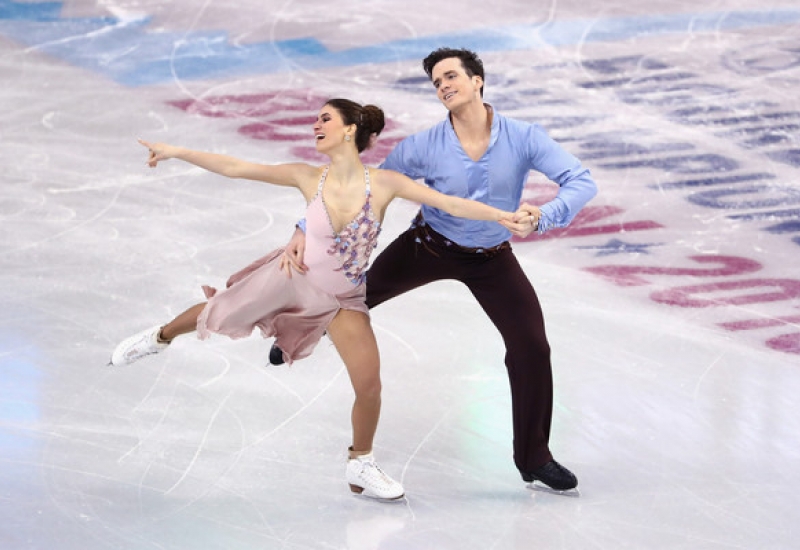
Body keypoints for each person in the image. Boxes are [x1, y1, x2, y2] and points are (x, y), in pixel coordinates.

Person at [108, 98, 520, 501]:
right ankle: (159, 338)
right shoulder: (307, 176)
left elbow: (448, 202)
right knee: (219, 311)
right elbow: (236, 167)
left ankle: (360, 464)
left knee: (370, 385)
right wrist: (176, 151)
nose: (316, 126)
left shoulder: (384, 183)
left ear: (350, 130)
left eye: (325, 119)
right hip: (291, 279)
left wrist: (501, 216)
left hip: (342, 299)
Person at [272, 49, 598, 492]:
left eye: (451, 76)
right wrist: (302, 227)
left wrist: (545, 215)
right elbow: (363, 190)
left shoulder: (524, 137)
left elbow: (581, 181)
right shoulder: (424, 146)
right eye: (437, 82)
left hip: (491, 258)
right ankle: (296, 331)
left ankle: (534, 458)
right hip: (428, 246)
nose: (443, 85)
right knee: (355, 295)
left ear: (477, 80)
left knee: (532, 348)